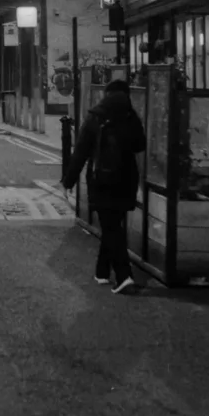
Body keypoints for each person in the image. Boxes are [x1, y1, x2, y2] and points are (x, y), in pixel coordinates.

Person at [62, 78, 146, 294]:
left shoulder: (95, 117)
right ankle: (101, 272)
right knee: (112, 226)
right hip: (126, 181)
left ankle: (124, 276)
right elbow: (140, 145)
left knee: (110, 228)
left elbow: (80, 151)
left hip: (101, 181)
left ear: (106, 95)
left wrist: (69, 180)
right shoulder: (131, 116)